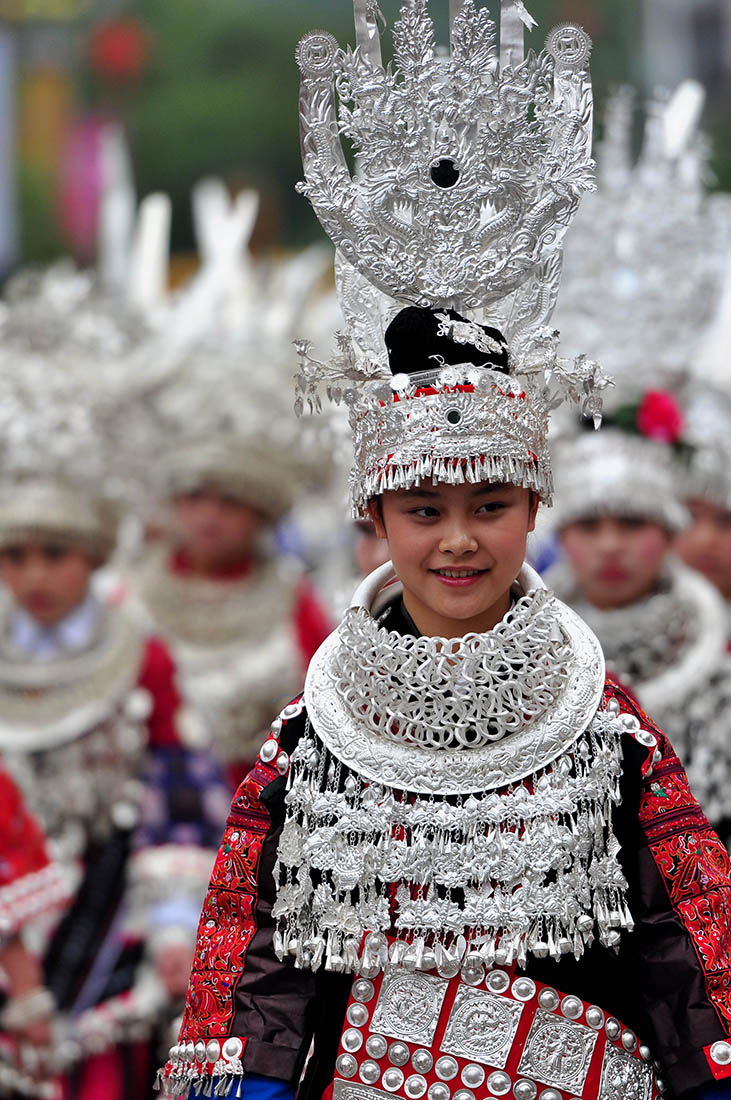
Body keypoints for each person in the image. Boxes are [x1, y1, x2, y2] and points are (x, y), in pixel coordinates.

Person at [159, 4, 731, 1100]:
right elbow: (257, 960)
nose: (458, 537)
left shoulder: (603, 726)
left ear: (532, 511)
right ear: (373, 518)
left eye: (488, 503)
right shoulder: (310, 737)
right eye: (422, 508)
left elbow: (687, 946)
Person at [0, 265, 229, 1098]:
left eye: (53, 554)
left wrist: (173, 925)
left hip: (109, 932)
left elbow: (177, 795)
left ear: (93, 555)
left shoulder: (142, 655)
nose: (34, 576)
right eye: (15, 555)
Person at [548, 391, 731, 842]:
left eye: (632, 523)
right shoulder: (520, 655)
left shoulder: (717, 668)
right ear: (562, 535)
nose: (610, 545)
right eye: (589, 526)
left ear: (669, 532)